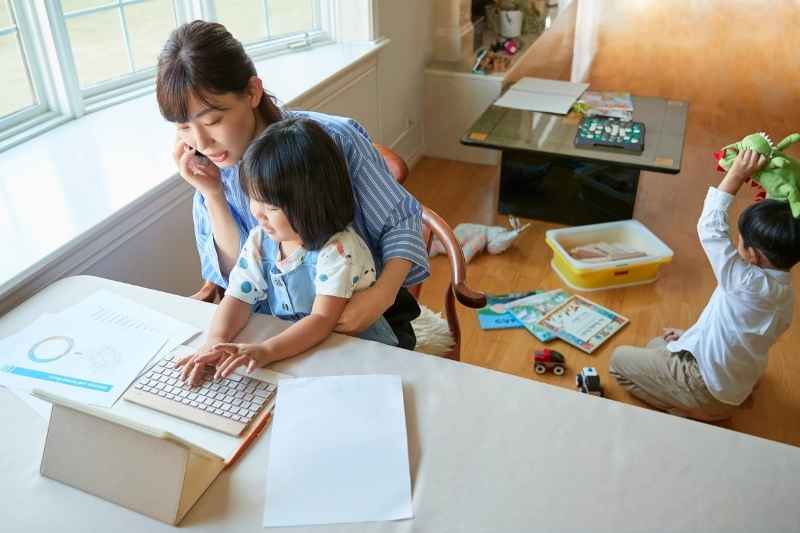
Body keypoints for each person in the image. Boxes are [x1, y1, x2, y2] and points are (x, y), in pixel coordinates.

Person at [156, 20, 428, 352]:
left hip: (363, 318)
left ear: (253, 92)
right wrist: (212, 195)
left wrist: (380, 296)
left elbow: (402, 220)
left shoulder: (333, 139)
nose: (202, 142)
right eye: (183, 128)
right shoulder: (208, 173)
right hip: (275, 326)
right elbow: (236, 280)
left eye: (213, 121)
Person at [177, 117, 399, 385]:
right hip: (296, 347)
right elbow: (237, 297)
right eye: (253, 198)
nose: (257, 214)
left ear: (310, 203)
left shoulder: (338, 250)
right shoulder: (261, 240)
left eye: (270, 206)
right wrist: (214, 341)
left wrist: (267, 350)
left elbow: (321, 320)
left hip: (352, 352)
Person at [609, 149, 798, 421]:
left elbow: (711, 227)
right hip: (736, 380)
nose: (736, 244)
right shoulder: (785, 293)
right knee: (658, 344)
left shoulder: (742, 280)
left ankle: (695, 410)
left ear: (753, 255)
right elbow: (735, 331)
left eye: (741, 240)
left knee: (618, 360)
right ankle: (713, 395)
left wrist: (736, 175)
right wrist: (691, 337)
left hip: (706, 388)